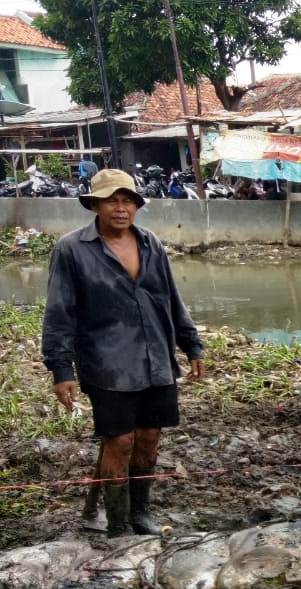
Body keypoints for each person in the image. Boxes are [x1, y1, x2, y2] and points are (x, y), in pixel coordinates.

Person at [42, 169, 206, 537]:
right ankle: (118, 523)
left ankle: (141, 513)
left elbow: (172, 299)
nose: (120, 208)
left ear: (136, 205)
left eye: (127, 201)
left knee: (149, 438)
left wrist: (191, 344)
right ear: (95, 205)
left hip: (157, 360)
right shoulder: (72, 249)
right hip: (107, 364)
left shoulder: (150, 244)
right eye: (112, 201)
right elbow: (59, 313)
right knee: (119, 441)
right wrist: (60, 369)